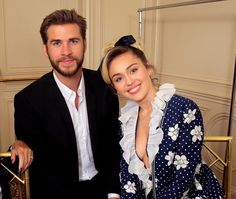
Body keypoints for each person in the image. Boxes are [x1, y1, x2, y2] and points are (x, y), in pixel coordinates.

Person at [13, 9, 120, 199]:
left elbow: (113, 148)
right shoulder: (27, 101)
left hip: (103, 189)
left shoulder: (105, 86)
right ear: (45, 49)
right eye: (56, 43)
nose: (66, 52)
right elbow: (41, 170)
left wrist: (113, 194)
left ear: (84, 44)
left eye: (73, 41)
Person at [100, 35, 224, 198]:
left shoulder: (184, 109)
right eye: (119, 78)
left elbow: (183, 181)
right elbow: (129, 181)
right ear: (115, 87)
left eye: (133, 70)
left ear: (148, 68)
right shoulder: (126, 122)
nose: (129, 81)